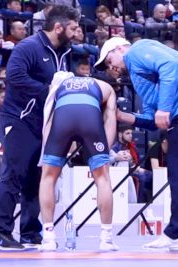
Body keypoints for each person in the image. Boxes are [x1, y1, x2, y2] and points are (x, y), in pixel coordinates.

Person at [94, 37, 178, 250]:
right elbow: (153, 121)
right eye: (108, 67)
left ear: (120, 48)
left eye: (109, 60)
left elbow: (168, 66)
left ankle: (174, 233)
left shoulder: (137, 50)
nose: (112, 68)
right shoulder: (140, 78)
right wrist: (123, 117)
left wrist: (164, 108)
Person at [0, 5, 80, 251]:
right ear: (58, 27)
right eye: (73, 27)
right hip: (19, 119)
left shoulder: (64, 51)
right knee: (13, 175)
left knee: (37, 179)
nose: (76, 32)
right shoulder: (28, 47)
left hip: (44, 123)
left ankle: (30, 232)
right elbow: (14, 78)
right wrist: (49, 90)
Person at [38, 72, 118, 251]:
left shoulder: (59, 85)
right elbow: (110, 118)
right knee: (103, 178)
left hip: (61, 119)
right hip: (90, 118)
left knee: (48, 177)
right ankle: (106, 238)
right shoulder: (106, 87)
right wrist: (105, 150)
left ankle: (48, 237)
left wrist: (48, 148)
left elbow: (48, 117)